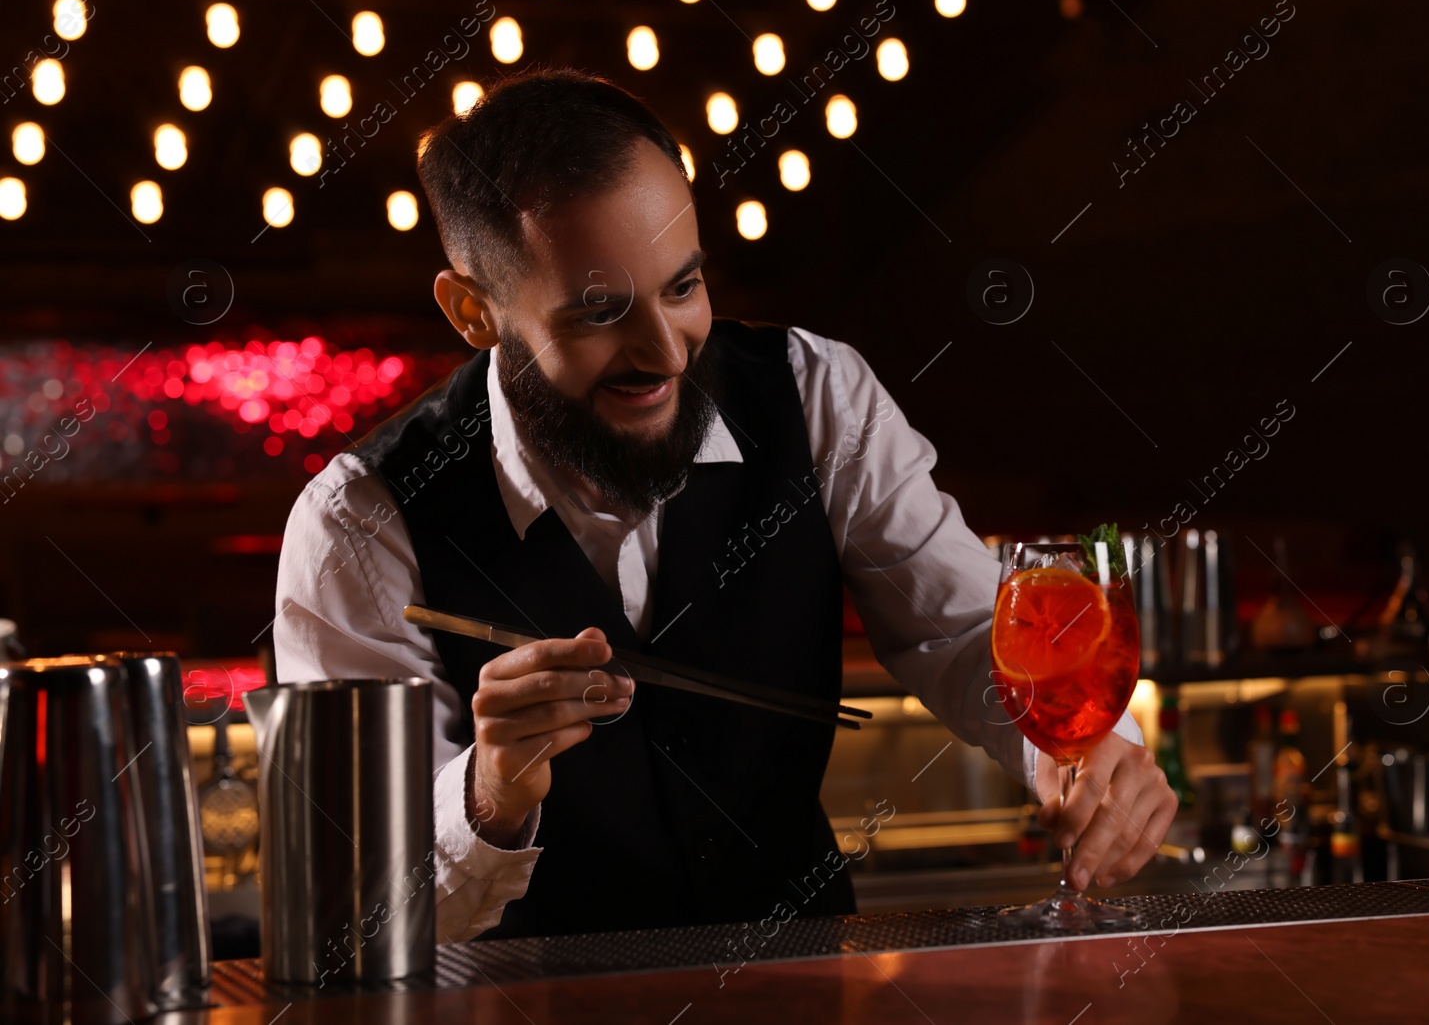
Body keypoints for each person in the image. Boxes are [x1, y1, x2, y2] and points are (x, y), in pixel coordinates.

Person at [273, 67, 1176, 942]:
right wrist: (489, 793)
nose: (665, 351)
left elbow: (962, 630)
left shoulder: (819, 394)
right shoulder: (358, 522)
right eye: (598, 312)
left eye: (683, 286)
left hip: (804, 990)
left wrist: (1080, 752)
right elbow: (359, 909)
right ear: (474, 311)